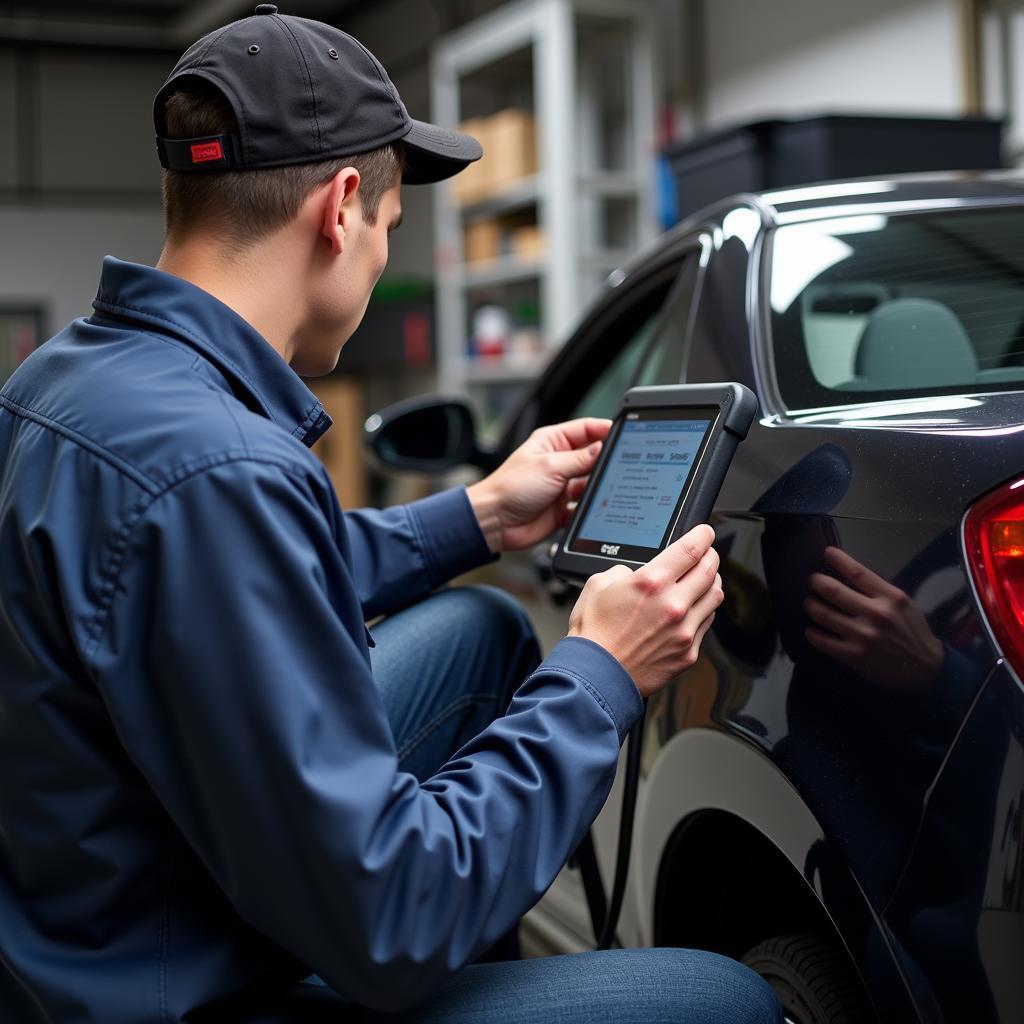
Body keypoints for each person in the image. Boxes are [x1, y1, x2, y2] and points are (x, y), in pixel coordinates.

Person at [0, 6, 781, 1023]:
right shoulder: (220, 469)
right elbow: (391, 914)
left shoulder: (66, 378)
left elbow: (219, 578)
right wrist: (598, 673)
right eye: (389, 226)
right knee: (722, 999)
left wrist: (482, 516)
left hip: (82, 919)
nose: (377, 259)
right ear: (338, 210)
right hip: (176, 986)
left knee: (485, 630)